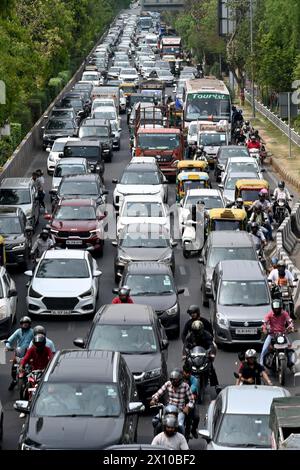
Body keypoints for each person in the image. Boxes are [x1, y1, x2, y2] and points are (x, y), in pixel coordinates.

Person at [150, 369, 194, 433]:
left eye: (176, 380)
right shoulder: (168, 384)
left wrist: (187, 407)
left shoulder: (185, 386)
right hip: (168, 409)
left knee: (180, 426)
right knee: (155, 421)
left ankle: (182, 440)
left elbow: (191, 400)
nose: (174, 381)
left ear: (180, 380)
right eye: (172, 380)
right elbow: (159, 393)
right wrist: (154, 399)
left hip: (180, 410)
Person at [260, 299, 294, 368]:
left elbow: (289, 320)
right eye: (275, 309)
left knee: (290, 349)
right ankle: (261, 366)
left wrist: (291, 326)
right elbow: (265, 323)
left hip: (282, 334)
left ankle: (290, 363)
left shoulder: (284, 313)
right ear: (273, 308)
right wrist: (264, 329)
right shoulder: (269, 314)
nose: (276, 310)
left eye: (278, 309)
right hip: (272, 335)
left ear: (281, 308)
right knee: (264, 350)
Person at [183, 321, 219, 387]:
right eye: (195, 331)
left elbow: (211, 345)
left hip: (205, 354)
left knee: (211, 367)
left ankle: (216, 385)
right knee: (186, 366)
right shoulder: (190, 335)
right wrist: (184, 355)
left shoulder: (207, 335)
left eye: (198, 331)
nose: (196, 332)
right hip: (193, 354)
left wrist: (211, 354)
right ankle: (184, 384)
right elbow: (185, 345)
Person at [5, 316, 33, 390]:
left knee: (33, 366)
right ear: (21, 324)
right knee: (14, 367)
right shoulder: (18, 331)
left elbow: (36, 340)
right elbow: (9, 340)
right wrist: (8, 345)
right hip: (19, 352)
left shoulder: (32, 332)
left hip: (29, 352)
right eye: (23, 323)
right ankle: (14, 380)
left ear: (29, 324)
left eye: (26, 323)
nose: (25, 325)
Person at [182, 363, 200, 439]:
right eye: (186, 372)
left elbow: (191, 390)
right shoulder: (178, 377)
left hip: (190, 401)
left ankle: (192, 430)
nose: (187, 374)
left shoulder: (194, 380)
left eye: (189, 372)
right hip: (179, 401)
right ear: (183, 371)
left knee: (196, 417)